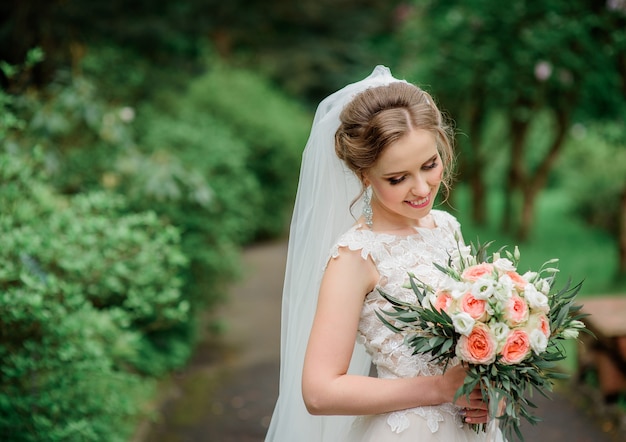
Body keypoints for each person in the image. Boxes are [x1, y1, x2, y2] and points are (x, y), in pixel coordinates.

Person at [265, 66, 499, 441]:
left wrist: (490, 386)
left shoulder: (446, 228)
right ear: (364, 174)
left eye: (429, 165)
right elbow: (319, 391)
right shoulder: (355, 256)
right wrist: (439, 388)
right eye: (398, 178)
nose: (422, 188)